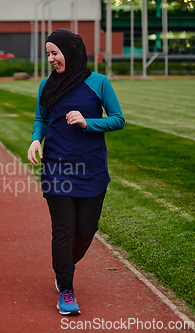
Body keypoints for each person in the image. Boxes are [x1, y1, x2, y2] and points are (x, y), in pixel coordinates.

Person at [27, 29, 125, 316]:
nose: (51, 59)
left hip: (92, 170)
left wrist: (88, 122)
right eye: (48, 54)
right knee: (63, 230)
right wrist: (36, 138)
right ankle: (67, 289)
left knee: (84, 232)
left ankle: (63, 269)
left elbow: (118, 119)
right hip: (57, 168)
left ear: (71, 52)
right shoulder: (47, 85)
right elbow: (41, 118)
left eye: (54, 53)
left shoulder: (99, 83)